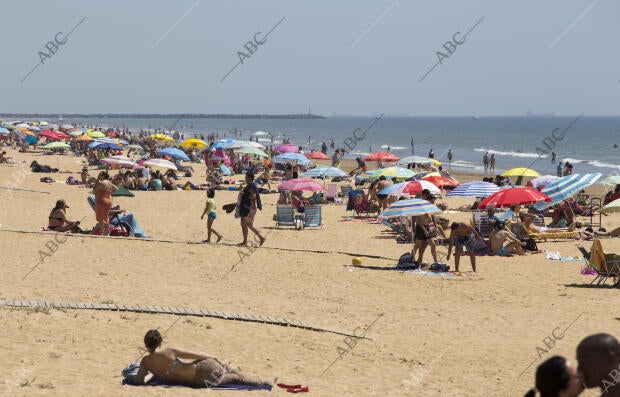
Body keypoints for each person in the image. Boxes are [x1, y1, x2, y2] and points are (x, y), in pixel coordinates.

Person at [134, 329, 273, 388]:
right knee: (234, 374)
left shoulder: (146, 362)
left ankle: (261, 382)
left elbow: (139, 381)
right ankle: (263, 381)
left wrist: (152, 374)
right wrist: (214, 357)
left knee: (233, 378)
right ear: (160, 342)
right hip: (203, 369)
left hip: (201, 380)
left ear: (146, 345)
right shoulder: (169, 351)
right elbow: (196, 354)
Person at [237, 172, 265, 246]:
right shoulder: (250, 185)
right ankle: (261, 238)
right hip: (250, 208)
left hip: (250, 208)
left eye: (246, 177)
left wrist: (244, 194)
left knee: (243, 223)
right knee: (249, 225)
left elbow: (253, 196)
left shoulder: (251, 186)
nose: (245, 178)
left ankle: (245, 242)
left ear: (249, 178)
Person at [93, 171, 118, 236]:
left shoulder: (101, 183)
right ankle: (107, 233)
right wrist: (110, 193)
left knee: (101, 218)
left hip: (101, 201)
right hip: (108, 201)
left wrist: (98, 179)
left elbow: (94, 189)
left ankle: (101, 232)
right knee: (106, 217)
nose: (99, 176)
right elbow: (116, 189)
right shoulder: (110, 183)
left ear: (103, 176)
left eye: (100, 175)